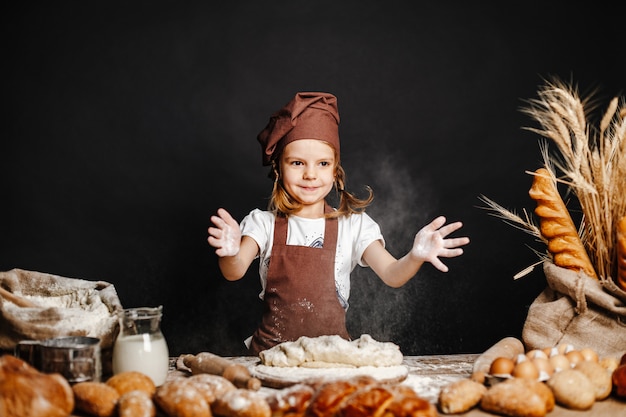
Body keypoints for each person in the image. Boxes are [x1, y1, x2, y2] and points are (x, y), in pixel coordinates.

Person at [208, 92, 470, 355]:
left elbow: (392, 274)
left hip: (334, 359)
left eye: (323, 163)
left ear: (335, 171)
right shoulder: (263, 224)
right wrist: (229, 253)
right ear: (278, 169)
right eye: (297, 163)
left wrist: (415, 256)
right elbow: (235, 270)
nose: (310, 174)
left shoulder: (353, 225)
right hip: (270, 357)